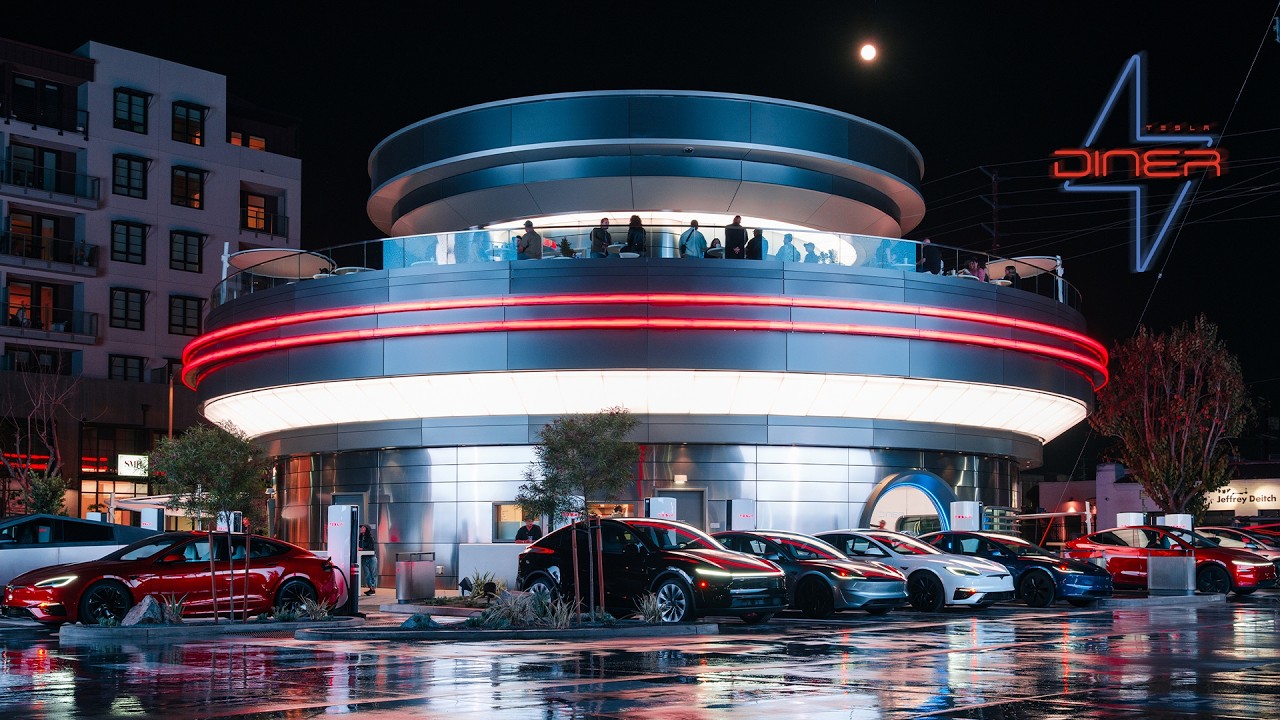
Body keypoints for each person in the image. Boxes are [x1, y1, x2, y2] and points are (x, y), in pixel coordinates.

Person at [358, 524, 378, 596]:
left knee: (373, 574)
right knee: (367, 574)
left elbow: (371, 548)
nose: (361, 528)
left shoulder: (370, 538)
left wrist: (361, 549)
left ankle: (373, 589)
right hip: (364, 557)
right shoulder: (360, 537)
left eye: (363, 527)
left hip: (371, 558)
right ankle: (371, 588)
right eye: (361, 527)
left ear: (367, 529)